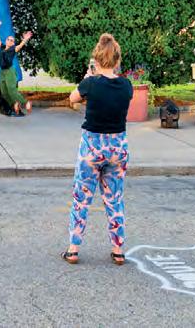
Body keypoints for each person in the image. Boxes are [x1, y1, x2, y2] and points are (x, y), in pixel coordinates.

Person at [61, 33, 133, 266]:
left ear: (97, 59)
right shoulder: (127, 86)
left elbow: (73, 99)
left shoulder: (90, 83)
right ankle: (118, 250)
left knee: (81, 198)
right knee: (114, 198)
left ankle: (73, 248)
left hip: (93, 146)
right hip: (118, 146)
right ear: (117, 60)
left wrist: (87, 78)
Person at [0, 21, 33, 116]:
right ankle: (14, 103)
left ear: (13, 43)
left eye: (12, 40)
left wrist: (25, 39)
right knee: (4, 92)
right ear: (6, 40)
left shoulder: (13, 49)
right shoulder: (2, 47)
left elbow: (20, 45)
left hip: (10, 71)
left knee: (12, 90)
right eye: (8, 39)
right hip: (2, 72)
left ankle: (26, 103)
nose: (10, 41)